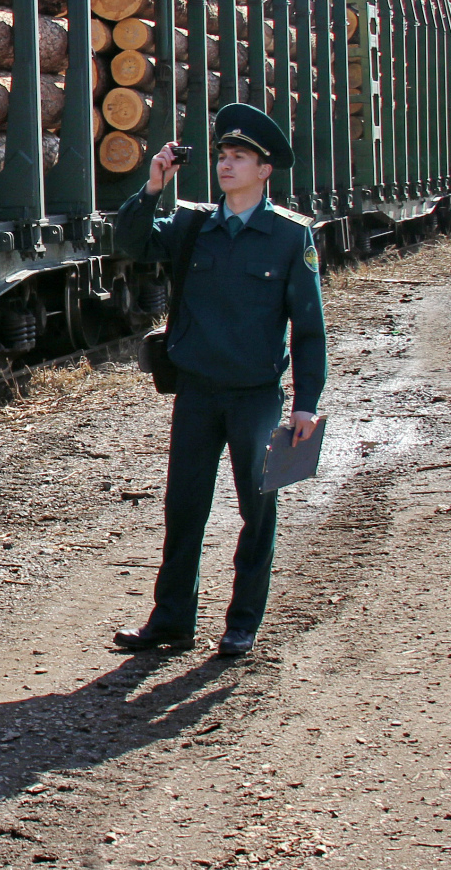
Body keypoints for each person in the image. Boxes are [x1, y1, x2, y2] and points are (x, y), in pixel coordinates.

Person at [110, 103, 326, 658]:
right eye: (223, 156)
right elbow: (130, 244)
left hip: (256, 397)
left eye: (240, 158)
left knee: (258, 509)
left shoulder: (288, 238)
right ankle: (172, 621)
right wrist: (153, 186)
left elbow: (308, 329)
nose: (226, 166)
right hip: (198, 393)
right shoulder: (191, 226)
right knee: (184, 508)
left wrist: (305, 405)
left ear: (265, 169)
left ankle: (242, 623)